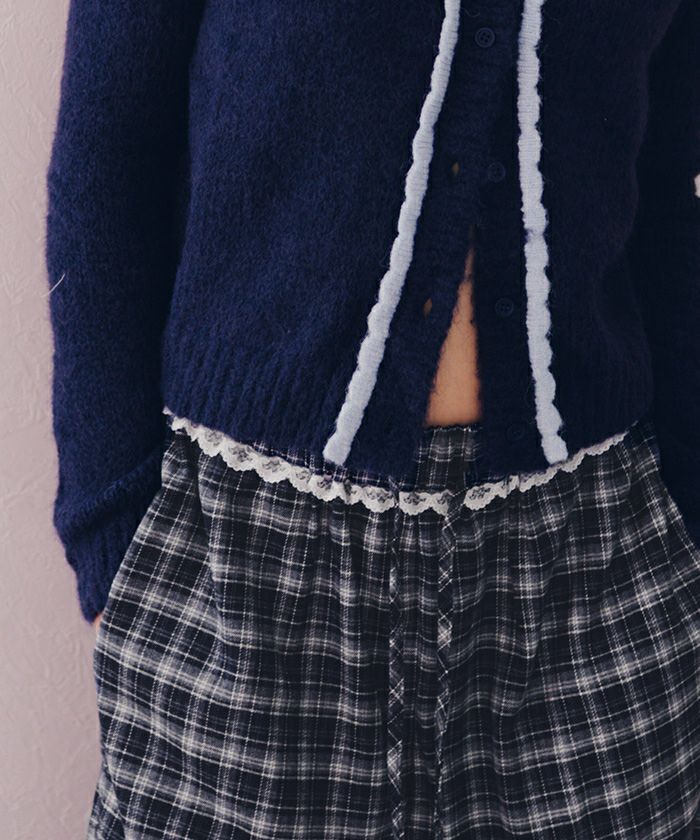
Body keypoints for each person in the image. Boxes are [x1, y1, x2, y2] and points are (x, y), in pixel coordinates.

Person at [45, 1, 700, 837]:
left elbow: (667, 191)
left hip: (596, 560)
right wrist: (109, 533)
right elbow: (108, 156)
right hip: (248, 556)